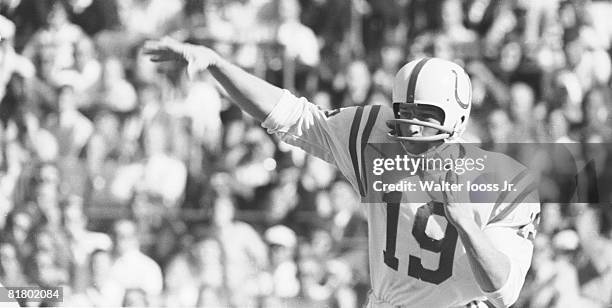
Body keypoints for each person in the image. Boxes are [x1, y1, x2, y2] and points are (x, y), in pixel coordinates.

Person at [144, 38, 540, 307]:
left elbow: (505, 292)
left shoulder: (506, 181)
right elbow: (290, 115)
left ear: (457, 115)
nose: (414, 125)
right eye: (406, 112)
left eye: (427, 115)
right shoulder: (376, 134)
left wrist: (467, 226)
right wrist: (217, 64)